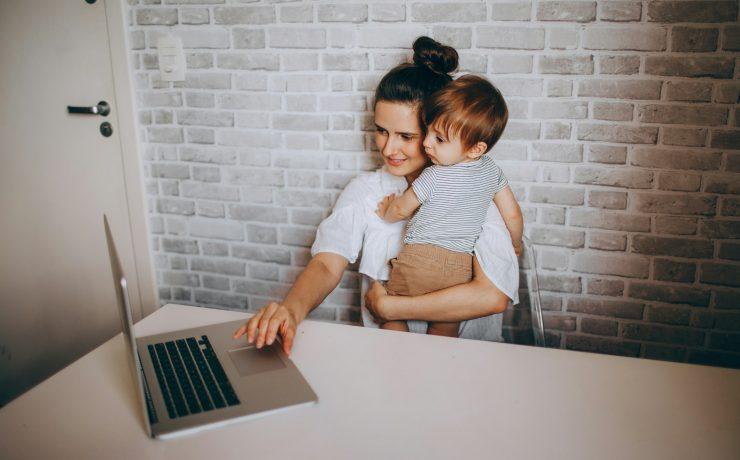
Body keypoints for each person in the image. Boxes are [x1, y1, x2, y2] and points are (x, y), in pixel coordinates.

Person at [233, 36, 519, 356]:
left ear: (439, 131)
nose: (387, 148)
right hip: (388, 362)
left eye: (405, 136)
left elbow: (492, 296)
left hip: (470, 364)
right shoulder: (367, 190)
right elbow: (328, 263)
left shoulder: (473, 194)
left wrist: (391, 308)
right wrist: (292, 309)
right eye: (381, 130)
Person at [375, 74, 523, 337]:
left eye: (439, 139)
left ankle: (395, 351)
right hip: (459, 269)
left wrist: (386, 211)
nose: (426, 142)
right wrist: (515, 242)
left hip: (417, 262)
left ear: (476, 149)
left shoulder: (432, 176)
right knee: (446, 324)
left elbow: (401, 209)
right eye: (429, 131)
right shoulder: (492, 172)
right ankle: (438, 367)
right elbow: (511, 213)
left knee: (389, 309)